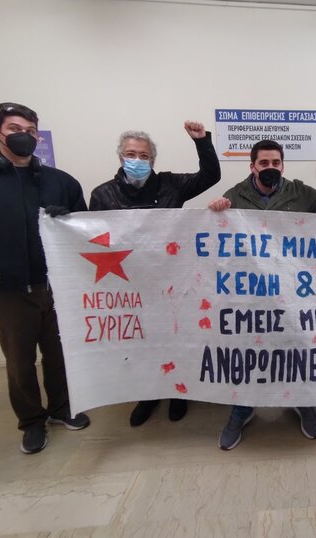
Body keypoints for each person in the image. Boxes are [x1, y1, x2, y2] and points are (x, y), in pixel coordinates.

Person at [0, 102, 90, 455]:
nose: (23, 135)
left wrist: (69, 220)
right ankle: (31, 421)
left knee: (59, 354)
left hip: (56, 286)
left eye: (29, 130)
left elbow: (86, 230)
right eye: (13, 128)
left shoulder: (61, 181)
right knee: (19, 361)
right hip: (8, 290)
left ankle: (61, 408)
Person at [207, 138, 316, 450]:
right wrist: (216, 213)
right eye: (264, 163)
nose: (270, 167)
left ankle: (302, 401)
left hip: (293, 287)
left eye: (275, 163)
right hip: (252, 290)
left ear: (283, 165)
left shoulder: (298, 192)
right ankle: (242, 409)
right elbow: (220, 238)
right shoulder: (236, 195)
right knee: (248, 352)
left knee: (296, 346)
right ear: (252, 166)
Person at [89, 123, 221, 426]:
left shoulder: (170, 185)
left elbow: (210, 175)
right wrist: (64, 221)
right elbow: (93, 238)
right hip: (130, 283)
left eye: (144, 155)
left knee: (176, 335)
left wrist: (201, 141)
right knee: (141, 342)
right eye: (131, 154)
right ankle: (147, 395)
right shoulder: (102, 194)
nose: (137, 160)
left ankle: (178, 393)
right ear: (121, 157)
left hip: (171, 279)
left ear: (153, 160)